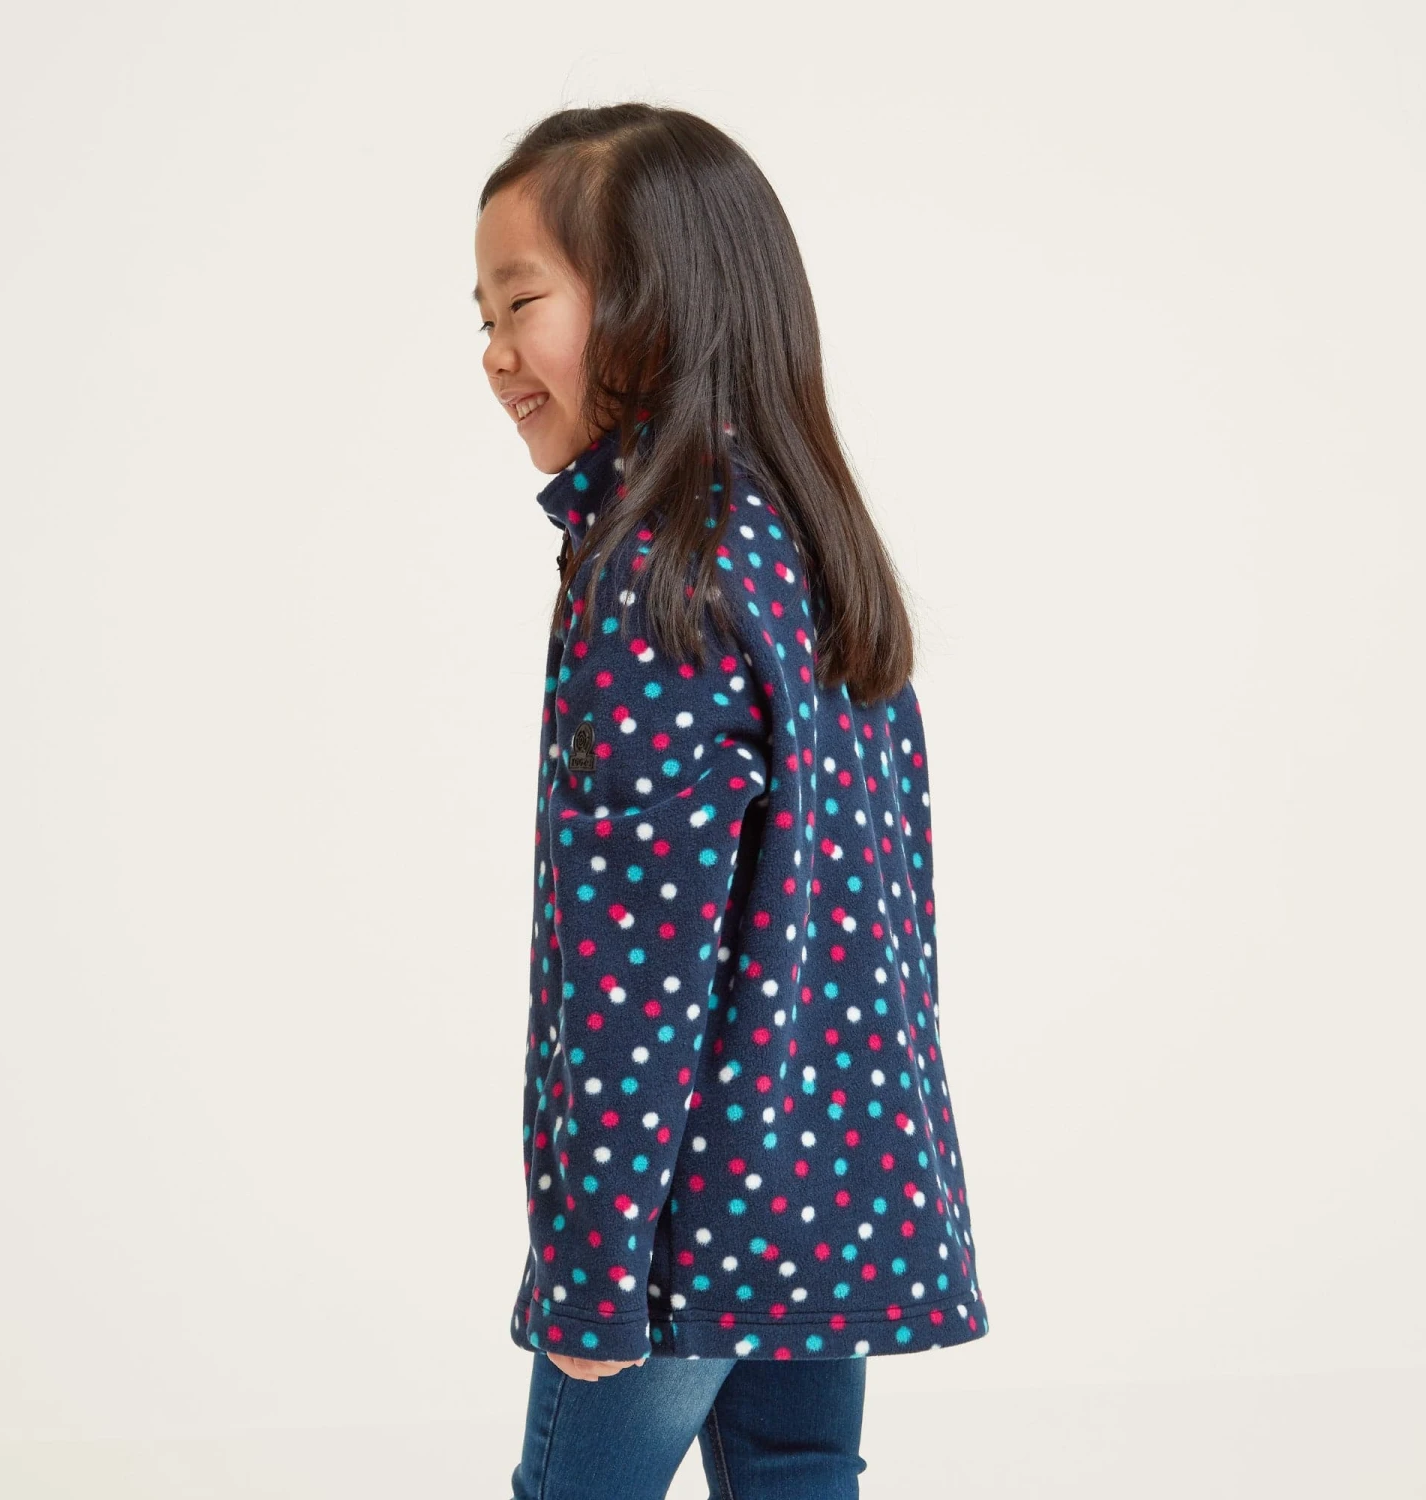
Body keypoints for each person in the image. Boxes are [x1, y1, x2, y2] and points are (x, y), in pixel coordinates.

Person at [471, 102, 990, 1500]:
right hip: (827, 1191)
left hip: (682, 1222)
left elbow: (636, 972)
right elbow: (888, 927)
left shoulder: (657, 578)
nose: (494, 354)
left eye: (523, 303)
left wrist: (591, 1275)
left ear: (649, 304)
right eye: (484, 315)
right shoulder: (802, 542)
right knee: (802, 1476)